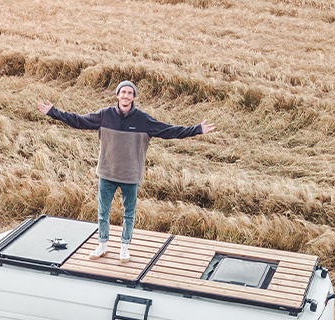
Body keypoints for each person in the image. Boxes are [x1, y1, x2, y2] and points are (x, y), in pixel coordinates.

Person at [37, 81, 215, 263]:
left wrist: (196, 130)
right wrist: (54, 112)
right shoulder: (104, 115)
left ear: (134, 97)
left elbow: (169, 130)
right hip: (107, 173)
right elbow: (78, 120)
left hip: (131, 175)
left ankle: (124, 247)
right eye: (123, 92)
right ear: (117, 95)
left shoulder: (143, 120)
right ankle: (103, 245)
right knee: (102, 212)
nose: (126, 96)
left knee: (129, 214)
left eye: (130, 93)